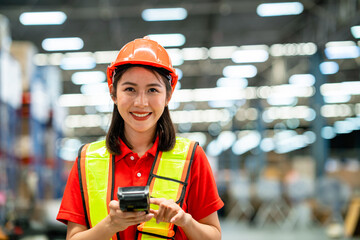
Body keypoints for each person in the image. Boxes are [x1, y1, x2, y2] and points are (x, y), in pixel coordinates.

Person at [56, 36, 224, 240]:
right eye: (130, 89)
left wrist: (184, 220)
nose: (141, 102)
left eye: (153, 89)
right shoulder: (86, 160)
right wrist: (111, 224)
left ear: (168, 96)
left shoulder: (191, 157)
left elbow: (214, 236)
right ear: (113, 94)